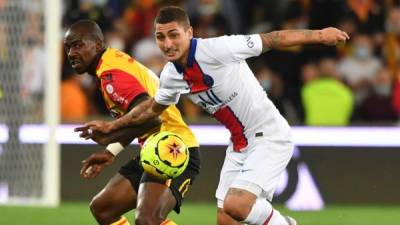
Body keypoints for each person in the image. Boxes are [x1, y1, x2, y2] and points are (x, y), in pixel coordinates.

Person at [81, 6, 349, 225]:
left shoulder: (220, 49)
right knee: (227, 218)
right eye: (161, 37)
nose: (168, 43)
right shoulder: (172, 76)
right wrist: (112, 128)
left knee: (237, 204)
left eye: (174, 35)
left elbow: (272, 39)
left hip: (269, 134)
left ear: (189, 32)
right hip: (239, 143)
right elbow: (151, 110)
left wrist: (319, 35)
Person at [63, 20, 201, 225]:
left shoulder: (112, 75)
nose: (71, 53)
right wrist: (110, 151)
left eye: (78, 45)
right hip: (153, 150)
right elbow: (139, 121)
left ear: (99, 44)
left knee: (147, 219)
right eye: (68, 47)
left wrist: (110, 132)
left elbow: (151, 118)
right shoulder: (111, 66)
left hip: (174, 149)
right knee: (103, 209)